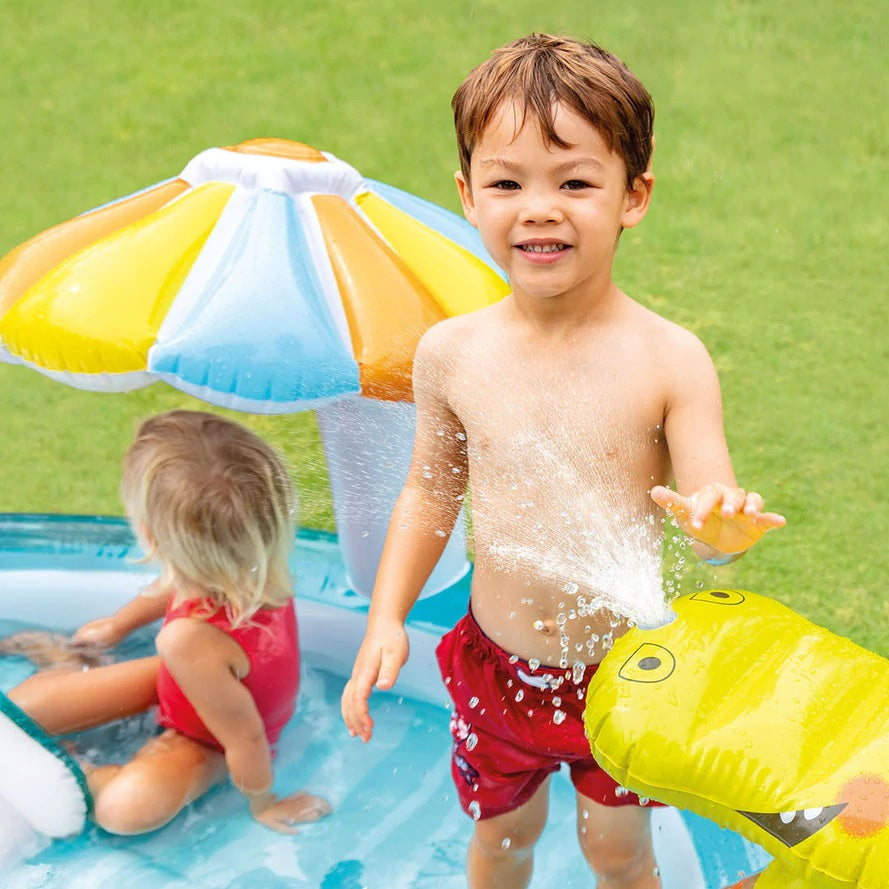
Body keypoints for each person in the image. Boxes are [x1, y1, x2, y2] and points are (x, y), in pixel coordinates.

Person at [341, 33, 785, 889]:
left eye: (575, 182)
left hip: (622, 677)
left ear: (633, 195)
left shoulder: (667, 359)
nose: (538, 208)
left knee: (616, 852)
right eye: (507, 183)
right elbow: (429, 491)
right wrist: (386, 614)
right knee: (500, 838)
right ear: (468, 196)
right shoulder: (452, 353)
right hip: (494, 667)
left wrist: (720, 533)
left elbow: (707, 521)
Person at [3, 409, 330, 836]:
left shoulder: (187, 640)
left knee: (124, 812)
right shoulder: (252, 557)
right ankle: (69, 662)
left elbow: (245, 739)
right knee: (18, 715)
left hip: (206, 737)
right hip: (185, 679)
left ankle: (84, 772)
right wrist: (118, 626)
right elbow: (173, 582)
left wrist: (264, 802)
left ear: (153, 537)